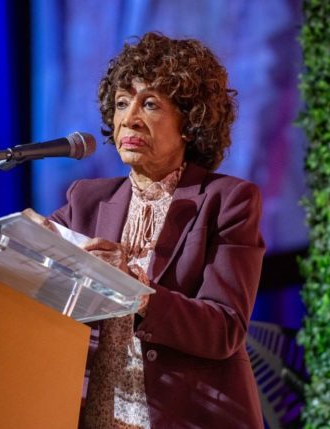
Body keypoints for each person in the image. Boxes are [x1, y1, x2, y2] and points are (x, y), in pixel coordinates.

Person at [48, 32, 265, 428]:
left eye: (149, 104)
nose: (129, 118)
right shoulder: (86, 201)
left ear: (189, 123)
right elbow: (44, 272)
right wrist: (29, 241)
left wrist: (139, 294)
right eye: (121, 103)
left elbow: (224, 329)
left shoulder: (228, 201)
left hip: (190, 416)